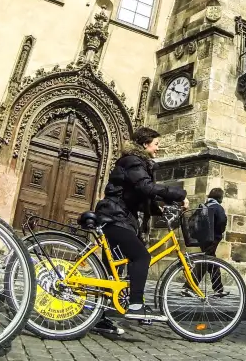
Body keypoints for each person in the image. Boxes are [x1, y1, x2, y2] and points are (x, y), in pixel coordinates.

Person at [94, 127, 187, 327]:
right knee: (142, 256)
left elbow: (139, 195)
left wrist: (161, 209)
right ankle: (136, 304)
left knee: (112, 272)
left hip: (116, 216)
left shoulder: (134, 162)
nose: (158, 149)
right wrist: (178, 194)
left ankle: (100, 318)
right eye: (156, 144)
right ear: (145, 144)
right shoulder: (134, 162)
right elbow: (145, 187)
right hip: (115, 218)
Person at [185, 187, 228, 297]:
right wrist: (219, 232)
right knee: (208, 261)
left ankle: (218, 289)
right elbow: (222, 221)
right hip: (213, 238)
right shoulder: (218, 208)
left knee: (209, 261)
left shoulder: (204, 206)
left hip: (202, 239)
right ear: (220, 197)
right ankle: (188, 287)